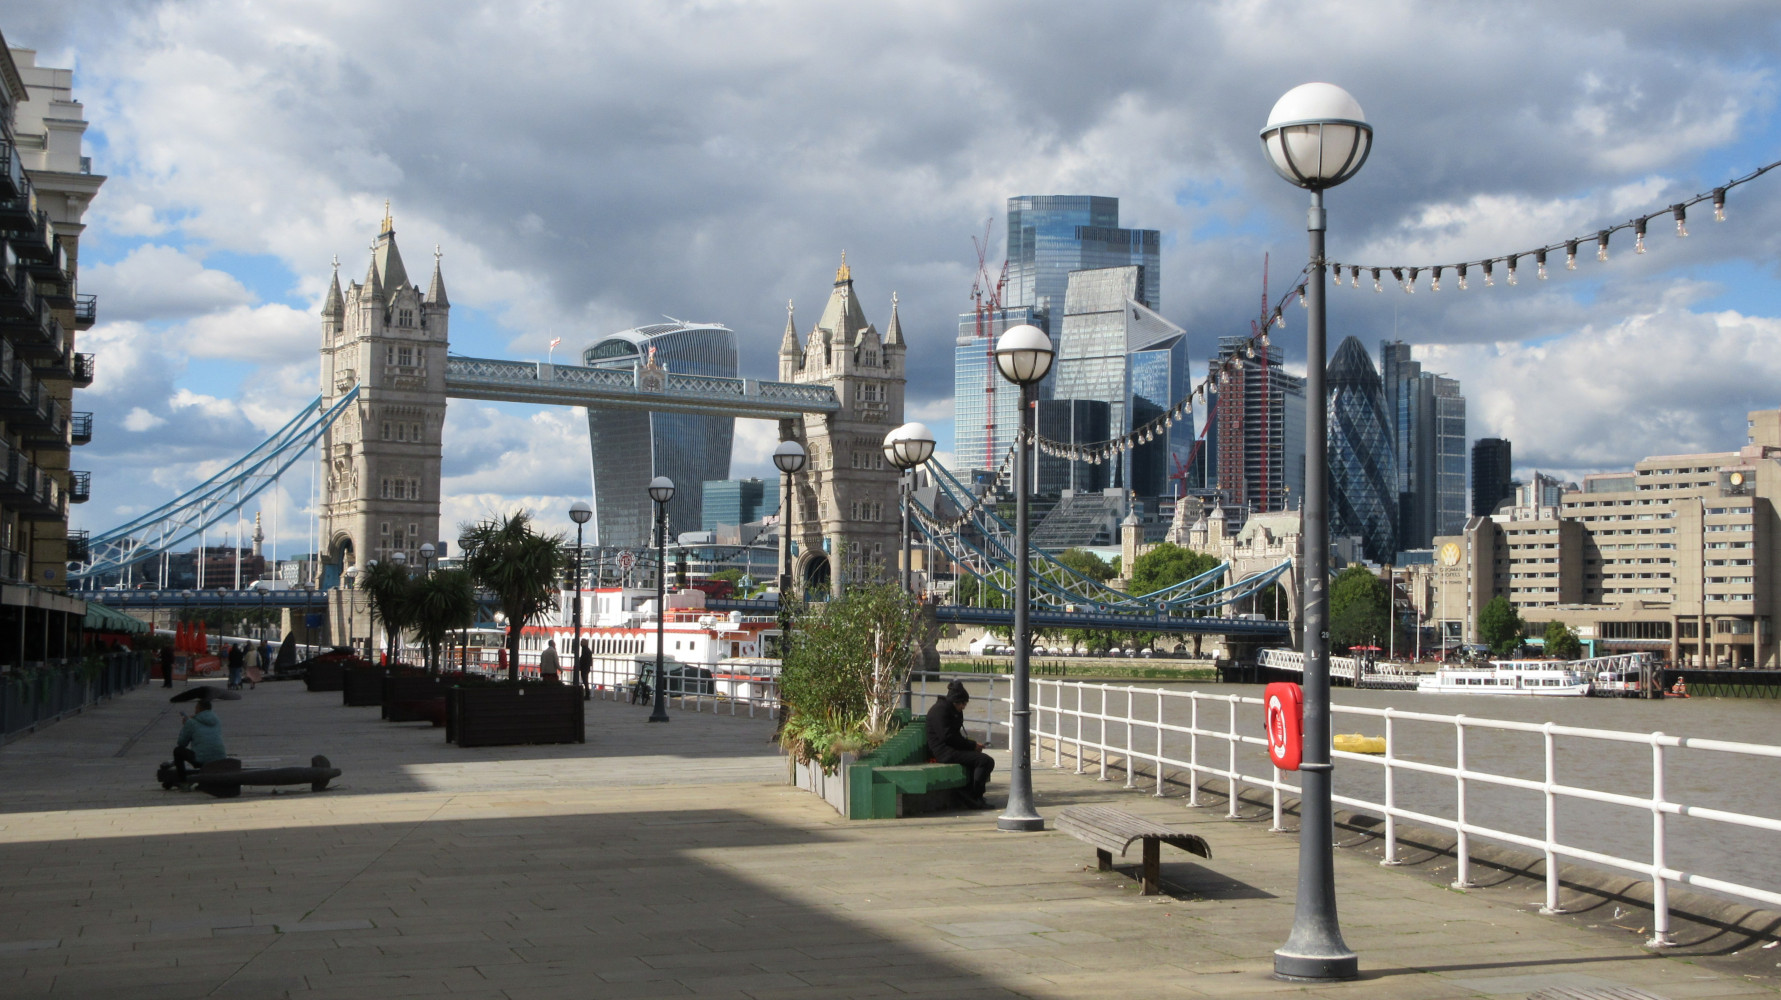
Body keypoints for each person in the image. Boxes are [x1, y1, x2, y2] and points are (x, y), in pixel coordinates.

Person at [926, 679, 995, 809]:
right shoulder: (940, 711)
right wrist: (972, 745)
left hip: (949, 749)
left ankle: (970, 795)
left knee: (981, 760)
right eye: (963, 703)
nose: (964, 707)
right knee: (985, 761)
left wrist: (972, 746)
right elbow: (948, 737)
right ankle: (974, 797)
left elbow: (954, 736)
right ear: (956, 701)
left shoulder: (950, 710)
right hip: (944, 752)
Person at [172, 692, 227, 786]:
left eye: (196, 708)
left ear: (199, 709)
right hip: (220, 758)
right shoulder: (216, 720)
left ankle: (183, 781)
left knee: (178, 751)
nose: (195, 711)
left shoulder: (191, 723)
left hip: (202, 759)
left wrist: (185, 725)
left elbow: (181, 743)